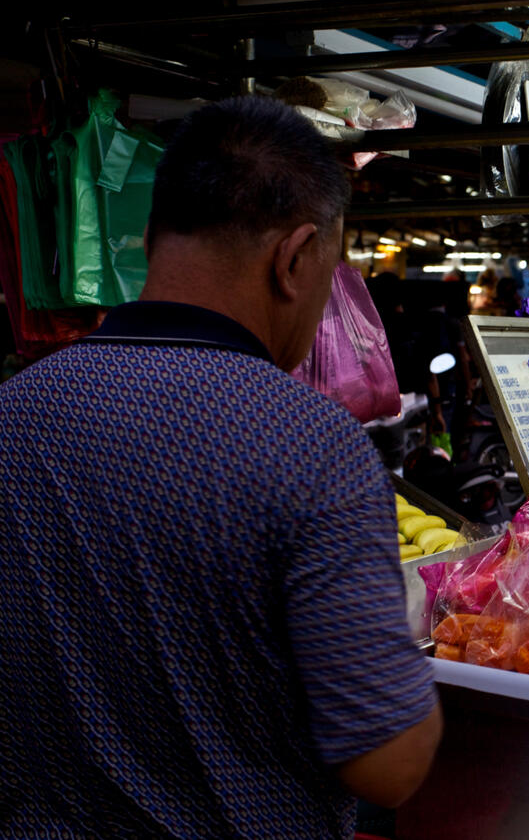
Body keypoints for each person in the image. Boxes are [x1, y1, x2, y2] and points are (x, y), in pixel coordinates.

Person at [0, 96, 442, 837]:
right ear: (295, 258)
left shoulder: (15, 411)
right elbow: (387, 765)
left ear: (149, 237)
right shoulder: (313, 448)